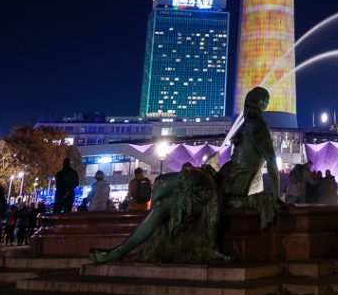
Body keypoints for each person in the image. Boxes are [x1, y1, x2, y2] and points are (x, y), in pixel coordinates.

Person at [90, 87, 281, 264]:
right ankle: (158, 238)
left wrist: (276, 195)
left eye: (252, 104)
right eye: (247, 103)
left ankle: (120, 252)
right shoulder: (249, 125)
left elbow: (271, 160)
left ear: (261, 106)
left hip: (222, 190)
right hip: (217, 180)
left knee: (161, 199)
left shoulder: (256, 125)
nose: (248, 108)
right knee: (161, 182)